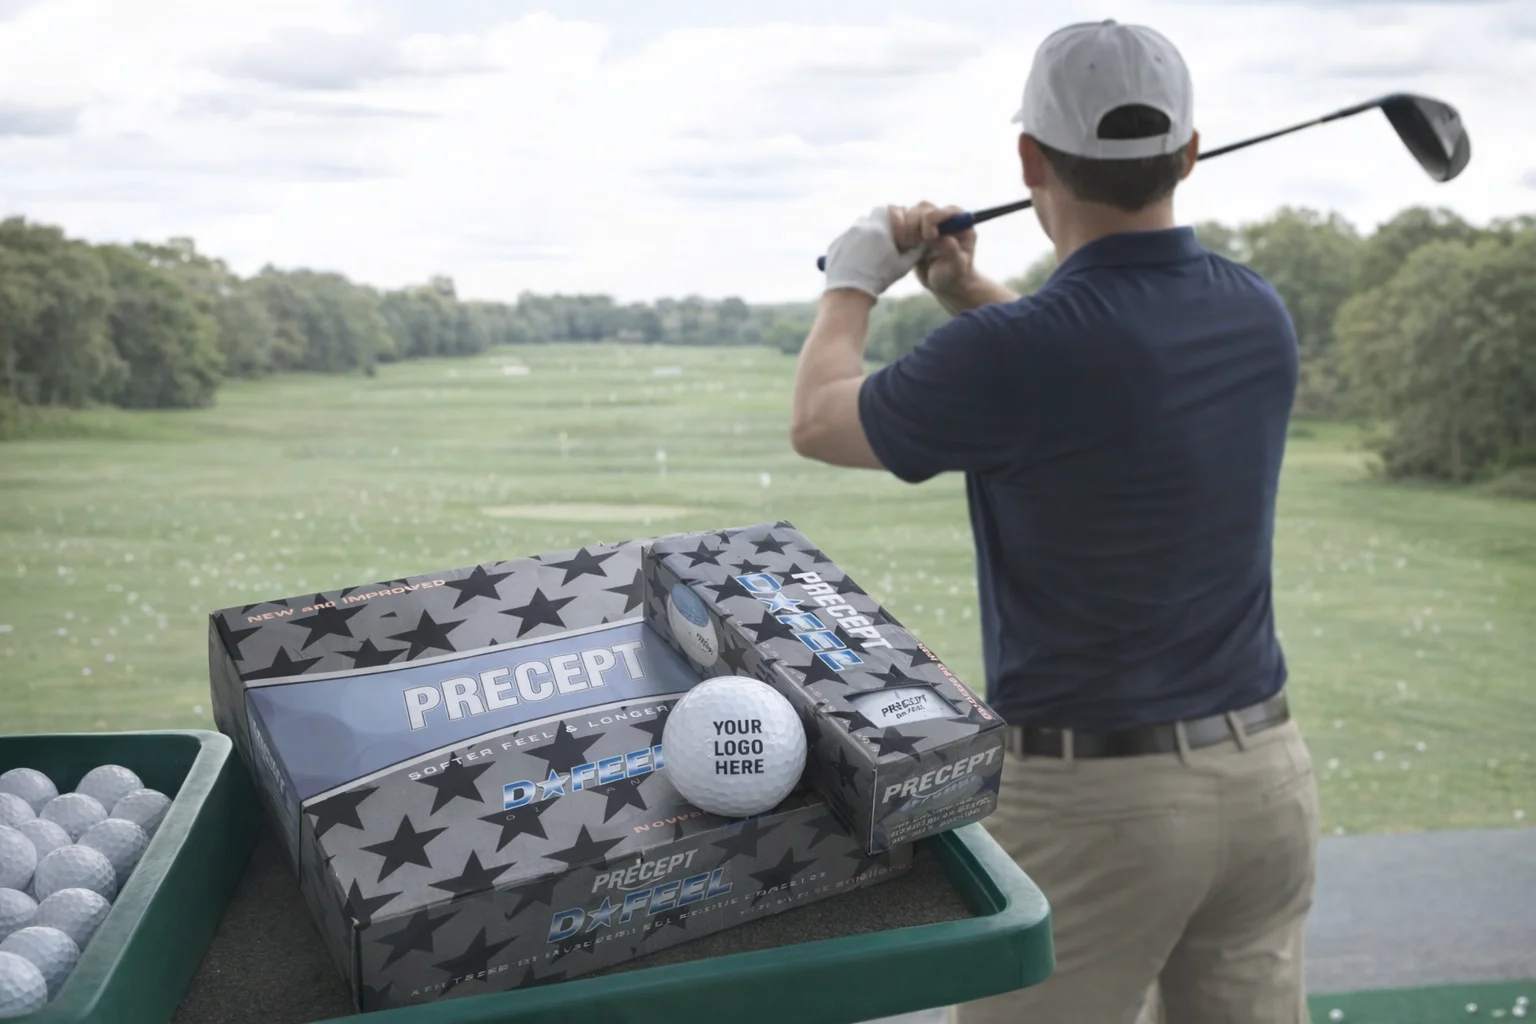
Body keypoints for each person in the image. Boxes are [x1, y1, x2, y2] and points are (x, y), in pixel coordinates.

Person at [790, 19, 1319, 1024]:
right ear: (1191, 152)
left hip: (1097, 809)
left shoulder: (1019, 352)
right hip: (1266, 788)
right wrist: (965, 293)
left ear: (1030, 158)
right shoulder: (1255, 310)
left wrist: (854, 277)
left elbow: (820, 421)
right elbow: (1107, 368)